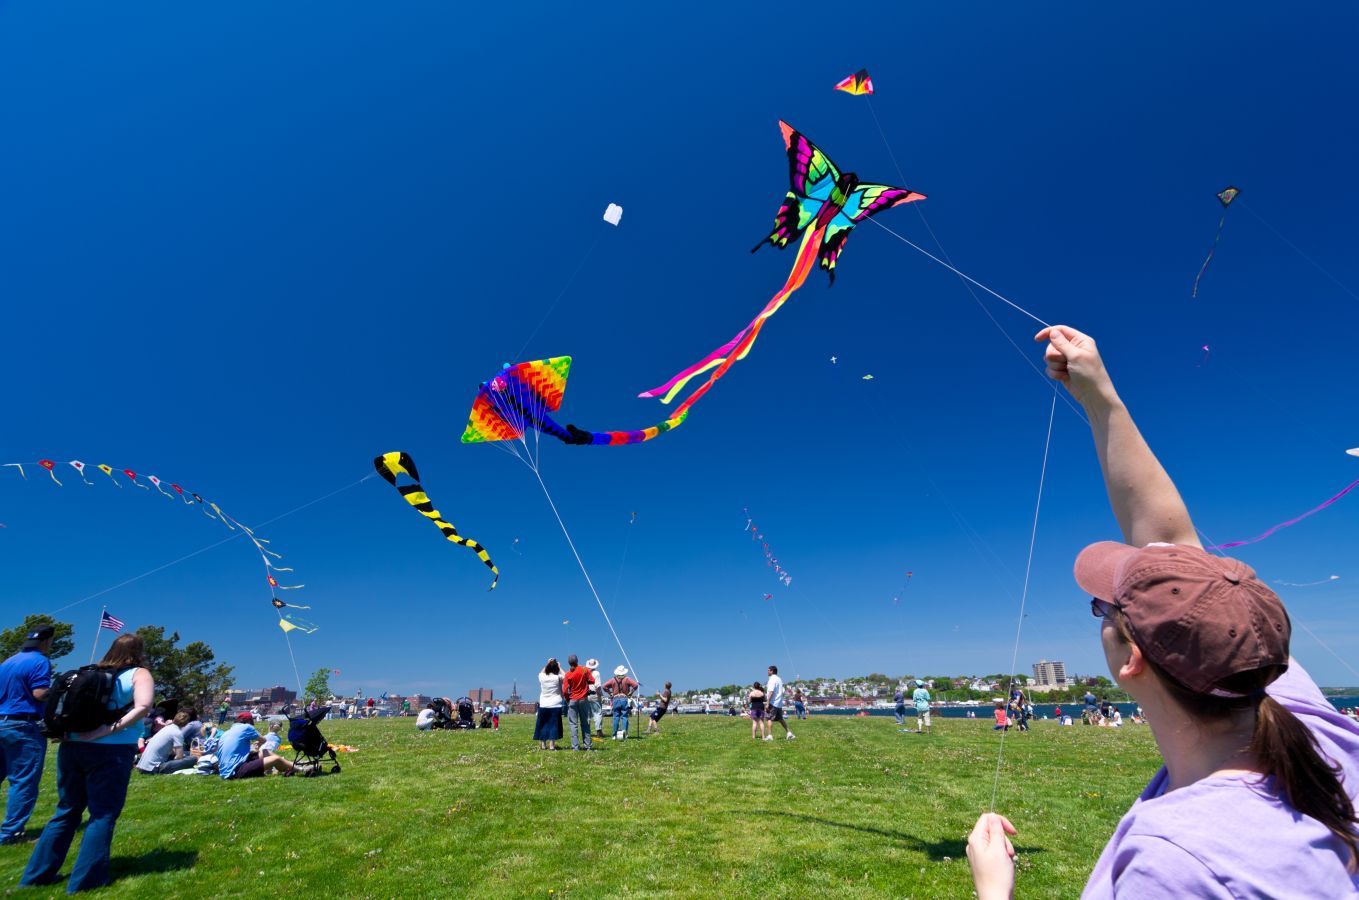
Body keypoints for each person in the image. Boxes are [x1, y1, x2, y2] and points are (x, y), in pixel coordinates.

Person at [967, 325, 1359, 898]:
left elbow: (1174, 545)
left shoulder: (1177, 866)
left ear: (1133, 660)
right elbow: (1169, 537)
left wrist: (993, 891)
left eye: (1103, 607)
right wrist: (1099, 394)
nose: (1098, 610)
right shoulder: (1307, 723)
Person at [20, 633, 153, 893]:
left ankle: (35, 876)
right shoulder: (139, 673)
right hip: (110, 751)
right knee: (102, 814)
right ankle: (86, 882)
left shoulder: (88, 673)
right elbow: (143, 705)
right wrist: (107, 730)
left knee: (66, 810)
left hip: (73, 747)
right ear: (139, 652)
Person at [0, 624, 55, 844]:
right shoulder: (40, 661)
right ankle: (11, 833)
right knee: (23, 781)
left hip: (2, 722)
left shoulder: (8, 662)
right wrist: (61, 691)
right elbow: (40, 693)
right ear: (47, 641)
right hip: (23, 726)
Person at [215, 712, 296, 779]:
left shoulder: (226, 733)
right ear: (249, 722)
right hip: (235, 771)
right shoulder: (247, 727)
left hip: (224, 771)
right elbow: (263, 740)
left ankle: (289, 767)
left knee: (265, 752)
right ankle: (301, 769)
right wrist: (258, 744)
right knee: (275, 759)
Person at [135, 709, 199, 775]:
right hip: (153, 768)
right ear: (186, 724)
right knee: (193, 759)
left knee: (187, 754)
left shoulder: (166, 728)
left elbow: (170, 752)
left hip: (142, 767)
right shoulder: (177, 733)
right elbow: (179, 757)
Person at [563, 654, 593, 751]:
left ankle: (575, 747)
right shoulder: (584, 670)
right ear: (577, 660)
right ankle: (587, 746)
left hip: (572, 700)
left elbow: (564, 690)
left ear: (569, 663)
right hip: (583, 699)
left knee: (573, 724)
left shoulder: (567, 674)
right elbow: (592, 680)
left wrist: (567, 699)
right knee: (585, 723)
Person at [533, 658, 564, 750]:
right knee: (553, 725)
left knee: (543, 724)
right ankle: (551, 745)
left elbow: (540, 672)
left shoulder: (542, 677)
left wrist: (548, 664)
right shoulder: (557, 677)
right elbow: (566, 676)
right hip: (556, 704)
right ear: (556, 669)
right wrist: (559, 666)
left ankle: (543, 744)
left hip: (543, 704)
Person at [602, 666, 639, 740]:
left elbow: (604, 686)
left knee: (616, 717)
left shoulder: (613, 679)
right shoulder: (627, 679)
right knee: (624, 716)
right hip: (624, 698)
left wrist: (610, 693)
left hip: (615, 699)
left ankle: (614, 735)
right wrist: (631, 693)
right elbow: (636, 685)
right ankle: (624, 733)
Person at [766, 665, 794, 740]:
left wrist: (767, 702)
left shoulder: (772, 679)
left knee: (769, 718)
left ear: (772, 671)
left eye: (768, 670)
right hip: (779, 703)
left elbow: (771, 692)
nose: (767, 671)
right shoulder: (779, 679)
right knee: (780, 719)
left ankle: (769, 736)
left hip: (773, 702)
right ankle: (789, 733)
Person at [586, 658, 605, 739]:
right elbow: (598, 686)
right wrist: (600, 695)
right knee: (597, 713)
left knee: (587, 714)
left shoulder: (585, 672)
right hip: (594, 695)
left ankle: (587, 731)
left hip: (586, 695)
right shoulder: (596, 673)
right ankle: (598, 731)